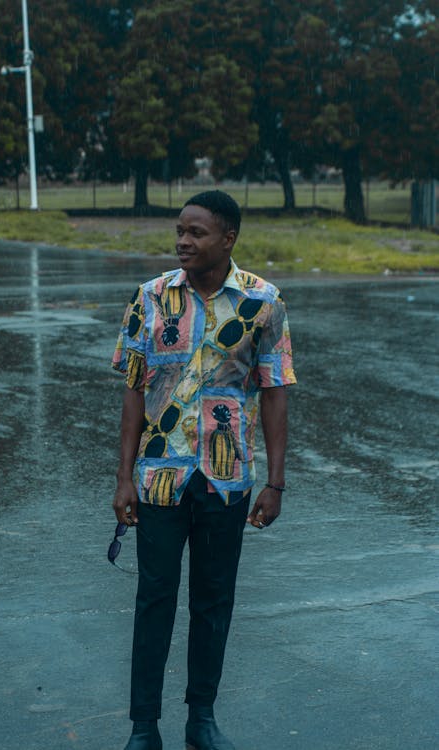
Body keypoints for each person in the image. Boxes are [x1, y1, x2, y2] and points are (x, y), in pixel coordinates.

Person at [111, 190, 296, 750]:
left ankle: (201, 720)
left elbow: (274, 393)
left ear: (228, 238)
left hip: (226, 478)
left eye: (197, 233)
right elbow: (133, 393)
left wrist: (276, 482)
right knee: (154, 600)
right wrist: (123, 477)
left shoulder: (263, 302)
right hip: (161, 477)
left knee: (214, 601)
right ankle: (144, 726)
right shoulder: (150, 298)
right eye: (180, 231)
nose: (183, 241)